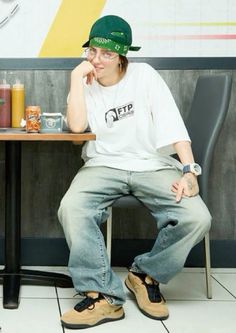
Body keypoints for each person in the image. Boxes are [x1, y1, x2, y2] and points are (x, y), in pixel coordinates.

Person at [58, 14, 211, 329]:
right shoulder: (84, 80)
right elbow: (75, 130)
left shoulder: (144, 76)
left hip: (150, 164)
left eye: (107, 54)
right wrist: (75, 79)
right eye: (92, 51)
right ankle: (103, 297)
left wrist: (188, 171)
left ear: (122, 56)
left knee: (198, 217)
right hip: (102, 165)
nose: (97, 60)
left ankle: (144, 275)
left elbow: (173, 124)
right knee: (71, 208)